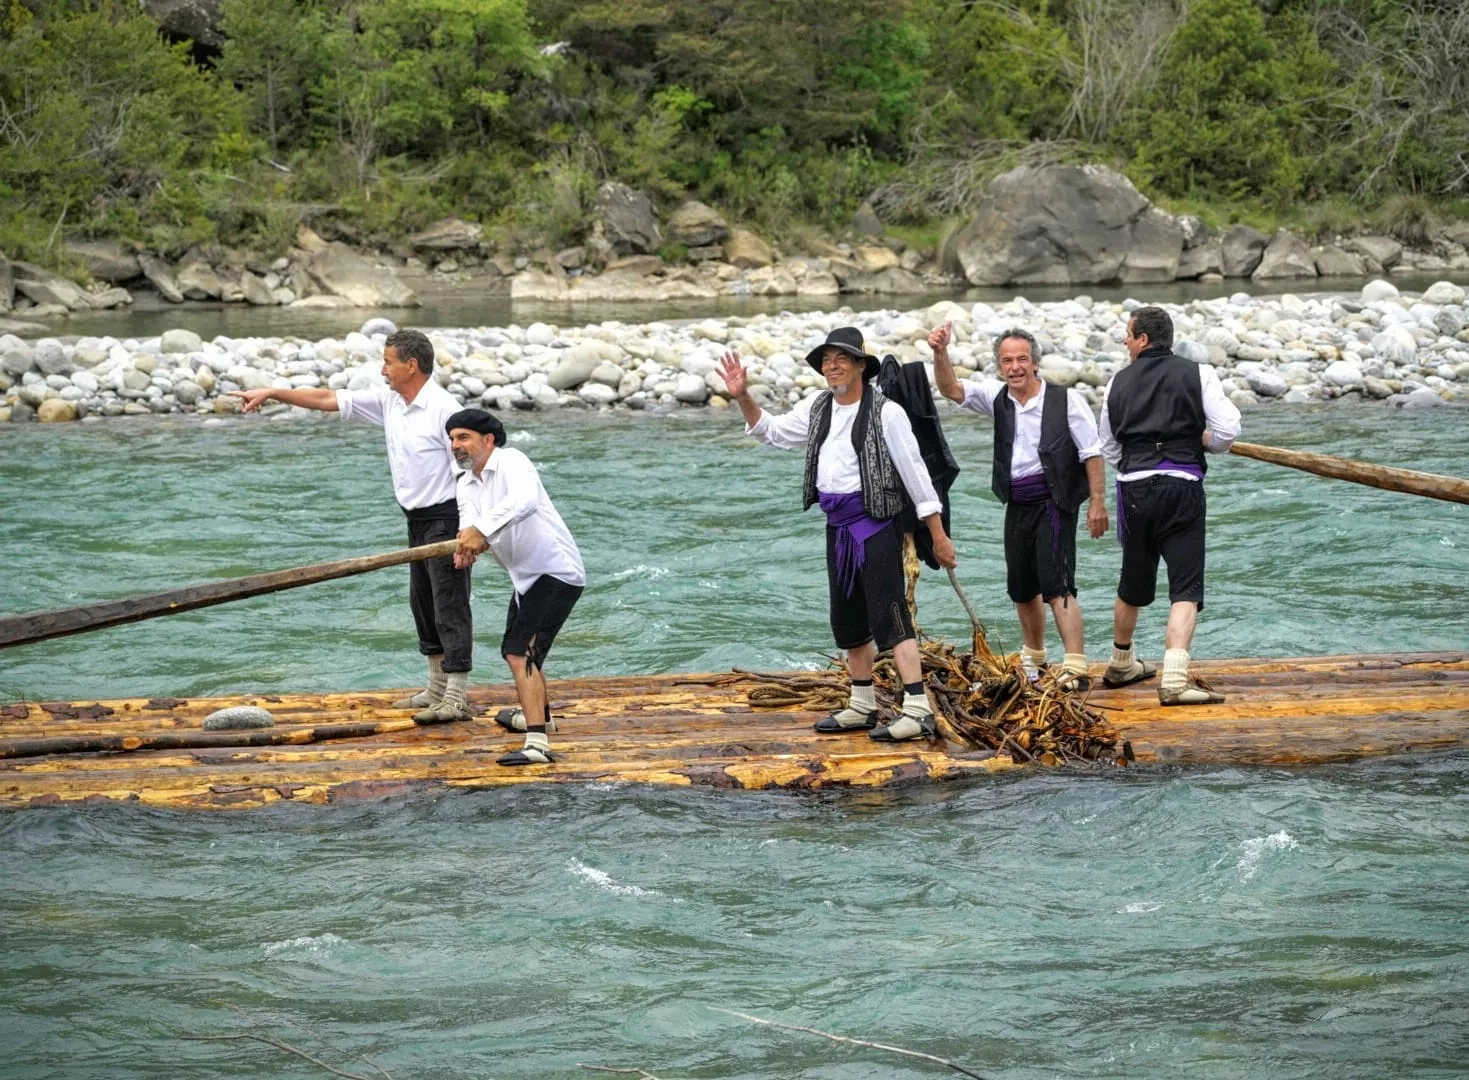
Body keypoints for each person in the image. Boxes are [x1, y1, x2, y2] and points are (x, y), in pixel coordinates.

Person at [719, 327, 957, 742]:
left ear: (862, 366)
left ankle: (918, 709)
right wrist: (742, 396)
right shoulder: (818, 407)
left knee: (891, 615)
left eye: (841, 358)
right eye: (827, 360)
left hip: (876, 525)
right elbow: (770, 432)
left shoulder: (887, 413)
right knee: (846, 618)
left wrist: (938, 535)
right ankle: (862, 704)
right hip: (838, 528)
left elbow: (918, 478)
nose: (832, 365)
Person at [232, 329, 474, 723]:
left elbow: (468, 474)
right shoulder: (390, 401)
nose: (383, 369)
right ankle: (434, 689)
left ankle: (457, 696)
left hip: (448, 517)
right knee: (423, 603)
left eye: (388, 362)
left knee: (449, 604)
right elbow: (329, 399)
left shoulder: (445, 410)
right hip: (415, 518)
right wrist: (274, 392)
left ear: (410, 365)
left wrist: (468, 533)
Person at [928, 323, 1108, 690]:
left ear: (1035, 363)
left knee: (1058, 584)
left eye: (1021, 359)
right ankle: (1035, 659)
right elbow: (950, 388)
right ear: (999, 366)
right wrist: (940, 353)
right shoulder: (996, 397)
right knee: (1022, 587)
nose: (1015, 367)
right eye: (1007, 361)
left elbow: (1092, 453)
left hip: (1055, 501)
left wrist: (1097, 504)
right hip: (1018, 503)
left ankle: (1075, 665)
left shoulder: (1065, 400)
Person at [1098, 305, 1242, 705]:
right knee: (1185, 586)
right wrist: (1207, 443)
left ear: (1143, 340)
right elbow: (1229, 430)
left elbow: (1108, 446)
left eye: (1128, 335)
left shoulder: (1116, 383)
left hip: (1134, 489)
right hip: (1182, 485)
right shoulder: (1199, 374)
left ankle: (1121, 662)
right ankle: (1175, 681)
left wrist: (1139, 464)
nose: (1125, 342)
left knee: (1133, 579)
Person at [447, 408, 585, 766]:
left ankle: (537, 744)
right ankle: (543, 718)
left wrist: (481, 532)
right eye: (451, 439)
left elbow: (523, 501)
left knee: (518, 652)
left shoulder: (512, 461)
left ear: (488, 440)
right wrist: (465, 549)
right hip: (525, 578)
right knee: (526, 653)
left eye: (463, 437)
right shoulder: (465, 483)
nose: (455, 445)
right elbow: (470, 527)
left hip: (555, 572)